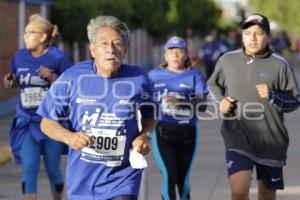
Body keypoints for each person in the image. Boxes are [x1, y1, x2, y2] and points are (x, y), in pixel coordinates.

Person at [36, 15, 157, 200]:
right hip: (83, 181)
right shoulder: (73, 77)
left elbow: (151, 115)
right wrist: (69, 137)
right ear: (93, 49)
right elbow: (46, 123)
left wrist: (145, 135)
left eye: (117, 44)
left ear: (124, 50)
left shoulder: (139, 79)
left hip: (123, 179)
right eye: (104, 44)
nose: (111, 50)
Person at [208, 13, 300, 200]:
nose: (253, 38)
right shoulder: (227, 60)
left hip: (272, 141)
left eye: (258, 33)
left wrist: (274, 96)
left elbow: (295, 100)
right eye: (248, 33)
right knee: (239, 191)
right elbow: (212, 85)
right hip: (237, 136)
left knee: (266, 195)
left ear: (268, 37)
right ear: (242, 36)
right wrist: (221, 101)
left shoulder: (280, 65)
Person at [3, 14, 73, 200]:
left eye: (29, 32)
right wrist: (11, 82)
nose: (25, 36)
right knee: (29, 168)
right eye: (25, 32)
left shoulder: (59, 58)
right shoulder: (20, 56)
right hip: (27, 121)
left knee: (52, 169)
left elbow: (73, 88)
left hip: (52, 123)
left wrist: (51, 78)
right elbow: (18, 80)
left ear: (43, 36)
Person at [149, 36, 208, 200]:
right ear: (165, 56)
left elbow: (203, 105)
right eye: (171, 52)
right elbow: (144, 100)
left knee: (183, 180)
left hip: (188, 133)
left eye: (179, 52)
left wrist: (182, 101)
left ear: (186, 55)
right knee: (170, 176)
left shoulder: (194, 75)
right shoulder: (154, 75)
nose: (175, 55)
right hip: (162, 132)